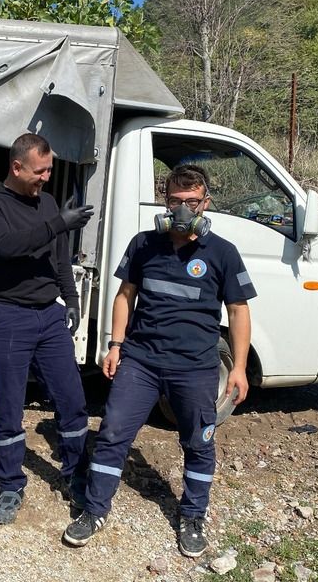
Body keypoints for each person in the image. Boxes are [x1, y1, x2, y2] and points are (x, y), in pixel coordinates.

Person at [62, 163, 256, 557]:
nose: (183, 210)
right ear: (164, 202)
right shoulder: (144, 244)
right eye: (175, 201)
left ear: (206, 203)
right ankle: (94, 509)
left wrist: (237, 367)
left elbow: (238, 311)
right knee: (113, 433)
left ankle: (193, 517)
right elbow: (124, 296)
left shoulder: (223, 253)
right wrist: (116, 345)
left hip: (197, 367)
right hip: (141, 362)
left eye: (191, 202)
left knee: (198, 442)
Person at [0, 133, 95, 525]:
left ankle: (76, 474)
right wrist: (58, 223)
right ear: (17, 167)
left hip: (48, 315)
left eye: (49, 171)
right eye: (40, 171)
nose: (45, 178)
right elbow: (9, 246)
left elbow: (59, 258)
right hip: (8, 315)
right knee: (8, 405)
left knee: (72, 398)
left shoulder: (48, 203)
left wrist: (71, 299)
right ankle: (10, 485)